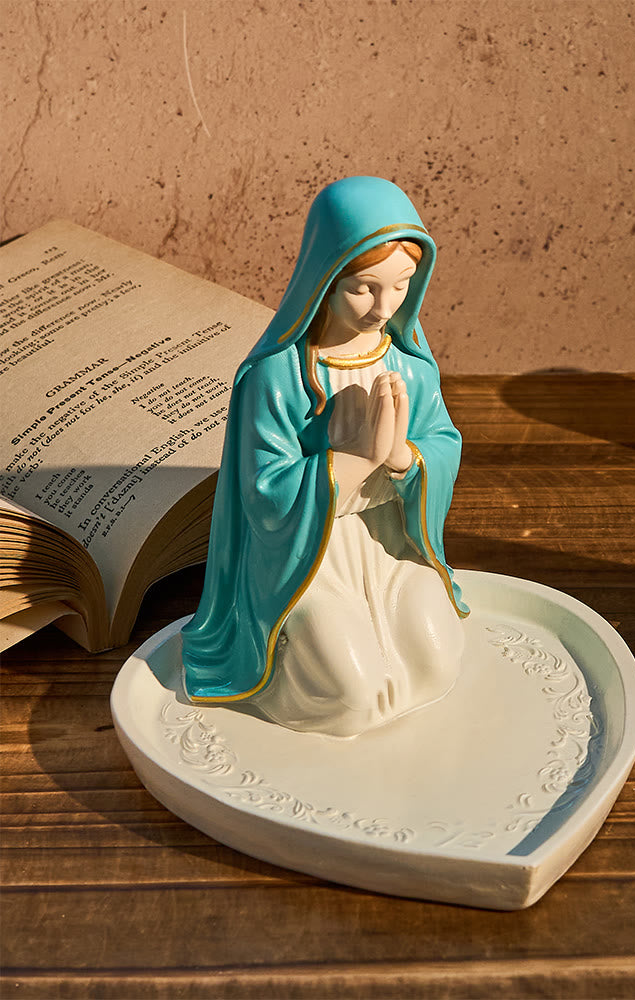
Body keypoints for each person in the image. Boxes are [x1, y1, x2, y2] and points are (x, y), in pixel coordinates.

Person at [181, 177, 467, 736]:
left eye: (401, 286)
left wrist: (402, 458)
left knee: (437, 666)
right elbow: (265, 495)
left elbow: (443, 443)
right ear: (325, 277)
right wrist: (354, 459)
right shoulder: (277, 376)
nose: (383, 307)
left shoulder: (410, 367)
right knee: (353, 698)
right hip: (308, 561)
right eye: (363, 288)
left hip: (389, 547)